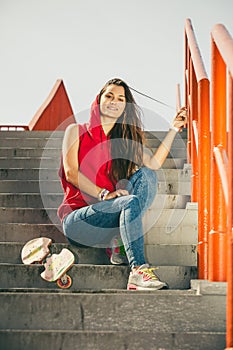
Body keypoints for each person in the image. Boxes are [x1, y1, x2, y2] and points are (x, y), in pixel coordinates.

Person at [57, 78, 187, 290]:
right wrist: (103, 194)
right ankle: (138, 270)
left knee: (148, 175)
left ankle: (119, 241)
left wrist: (174, 128)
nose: (114, 101)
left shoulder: (125, 143)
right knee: (129, 202)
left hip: (110, 217)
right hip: (78, 221)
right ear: (99, 100)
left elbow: (154, 163)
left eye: (120, 98)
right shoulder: (76, 130)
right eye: (109, 96)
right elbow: (71, 172)